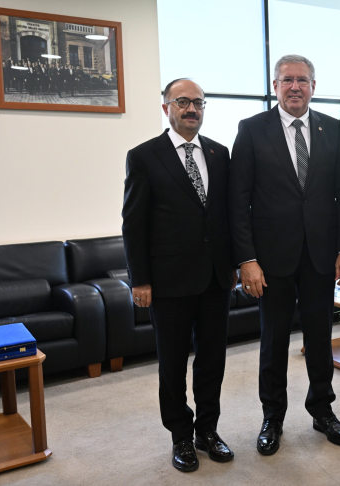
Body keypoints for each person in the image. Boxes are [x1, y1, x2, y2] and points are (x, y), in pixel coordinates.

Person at [230, 54, 340, 456]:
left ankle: (323, 410)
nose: (295, 87)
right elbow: (238, 201)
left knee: (320, 338)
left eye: (303, 80)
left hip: (320, 256)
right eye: (287, 80)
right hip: (271, 260)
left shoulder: (331, 128)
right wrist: (246, 259)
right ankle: (273, 417)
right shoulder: (252, 130)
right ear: (275, 86)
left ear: (313, 87)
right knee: (273, 341)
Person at [122, 78, 236, 473]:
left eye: (198, 103)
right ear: (166, 107)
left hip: (216, 278)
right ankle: (180, 437)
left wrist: (234, 264)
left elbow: (226, 215)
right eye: (183, 101)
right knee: (172, 365)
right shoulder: (143, 156)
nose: (192, 109)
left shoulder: (219, 153)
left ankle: (208, 430)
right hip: (168, 281)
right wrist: (140, 279)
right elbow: (133, 223)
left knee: (212, 361)